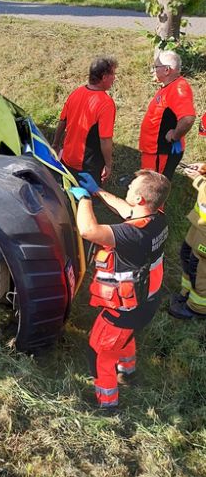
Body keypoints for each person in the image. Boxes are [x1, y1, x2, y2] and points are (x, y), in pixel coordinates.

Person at [70, 169, 171, 411]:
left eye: (131, 188)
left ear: (140, 199)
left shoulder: (131, 234)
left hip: (121, 312)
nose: (126, 190)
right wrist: (98, 191)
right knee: (126, 338)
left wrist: (84, 199)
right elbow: (127, 210)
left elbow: (88, 231)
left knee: (99, 353)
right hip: (146, 303)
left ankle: (107, 404)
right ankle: (127, 371)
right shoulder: (158, 219)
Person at [53, 56, 118, 185]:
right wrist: (108, 164)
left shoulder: (76, 92)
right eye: (113, 74)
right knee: (87, 200)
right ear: (104, 77)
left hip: (67, 157)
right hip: (88, 164)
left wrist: (55, 144)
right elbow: (105, 139)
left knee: (67, 194)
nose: (114, 78)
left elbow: (62, 121)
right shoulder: (106, 103)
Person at [139, 49, 197, 178]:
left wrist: (175, 135)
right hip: (154, 152)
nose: (153, 70)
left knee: (153, 188)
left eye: (156, 67)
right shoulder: (170, 86)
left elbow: (188, 118)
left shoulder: (178, 88)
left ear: (166, 70)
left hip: (161, 152)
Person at [170, 157, 206, 319]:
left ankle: (198, 308)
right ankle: (187, 292)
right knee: (186, 254)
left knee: (199, 269)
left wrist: (199, 180)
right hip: (199, 225)